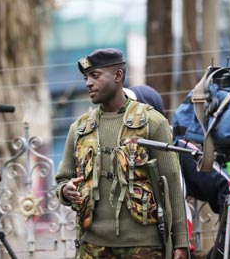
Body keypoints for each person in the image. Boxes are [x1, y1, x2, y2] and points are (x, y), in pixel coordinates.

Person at [55, 48, 189, 259]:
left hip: (144, 247)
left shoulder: (152, 122)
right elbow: (63, 178)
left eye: (95, 76)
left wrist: (181, 241)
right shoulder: (79, 128)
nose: (88, 83)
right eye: (86, 77)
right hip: (92, 246)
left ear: (118, 76)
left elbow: (172, 183)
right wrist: (65, 191)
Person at [125, 84, 230, 259]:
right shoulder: (117, 149)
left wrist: (220, 252)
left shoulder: (177, 150)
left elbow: (229, 193)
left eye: (132, 106)